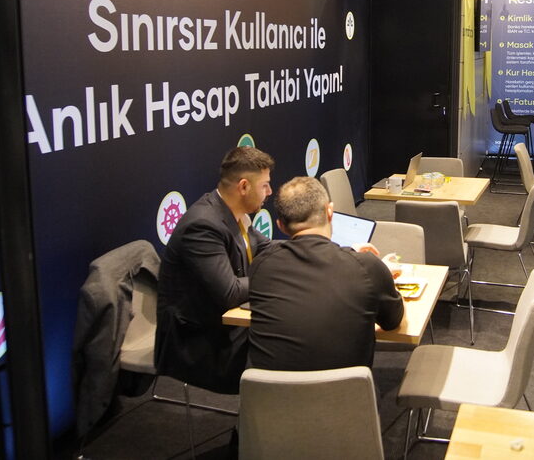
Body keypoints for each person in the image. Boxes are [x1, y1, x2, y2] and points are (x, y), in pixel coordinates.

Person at [247, 177, 404, 371]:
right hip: (347, 390)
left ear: (280, 226)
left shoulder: (261, 266)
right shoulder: (368, 267)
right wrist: (384, 275)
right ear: (330, 212)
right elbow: (393, 322)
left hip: (268, 389)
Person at [155, 146, 274, 393]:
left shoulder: (233, 212)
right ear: (244, 187)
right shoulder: (203, 226)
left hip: (222, 325)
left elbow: (267, 247)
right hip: (199, 341)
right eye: (265, 185)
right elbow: (230, 292)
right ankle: (259, 416)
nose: (269, 192)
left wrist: (317, 249)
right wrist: (276, 277)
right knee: (285, 350)